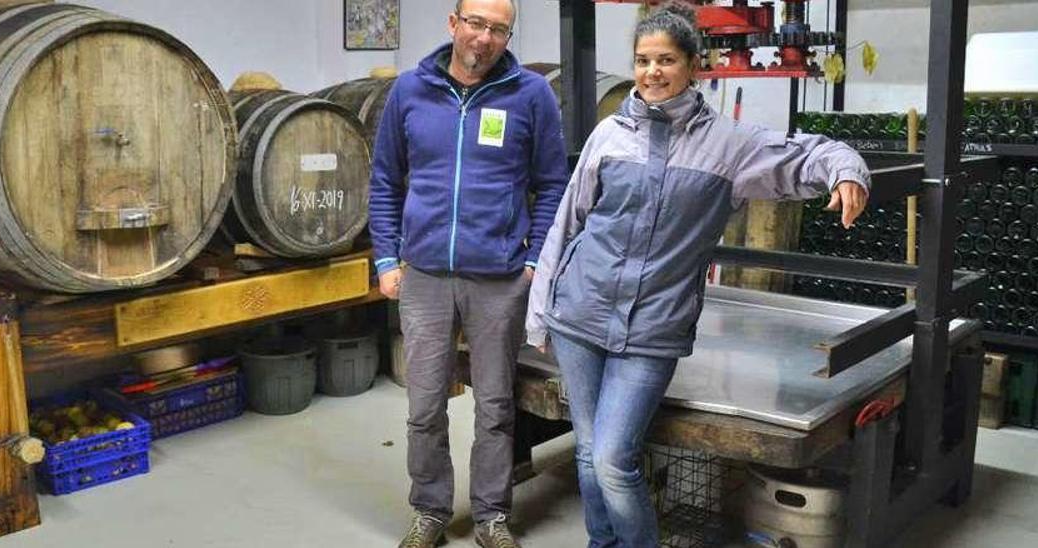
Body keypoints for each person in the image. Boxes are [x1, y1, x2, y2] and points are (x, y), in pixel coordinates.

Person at [524, 5, 870, 547]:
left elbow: (810, 152)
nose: (651, 72)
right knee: (590, 454)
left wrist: (847, 172)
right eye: (642, 60)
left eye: (665, 60)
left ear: (693, 65)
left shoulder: (728, 146)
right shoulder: (608, 134)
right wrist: (540, 312)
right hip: (579, 313)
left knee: (615, 459)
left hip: (653, 328)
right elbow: (568, 221)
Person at [367, 0, 568, 546]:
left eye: (498, 29)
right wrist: (387, 258)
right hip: (426, 275)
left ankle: (490, 516)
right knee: (425, 405)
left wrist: (533, 263)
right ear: (453, 24)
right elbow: (385, 179)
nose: (485, 38)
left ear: (508, 35)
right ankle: (431, 509)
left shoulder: (531, 95)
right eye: (476, 23)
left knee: (496, 407)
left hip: (499, 278)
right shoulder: (410, 91)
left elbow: (553, 184)